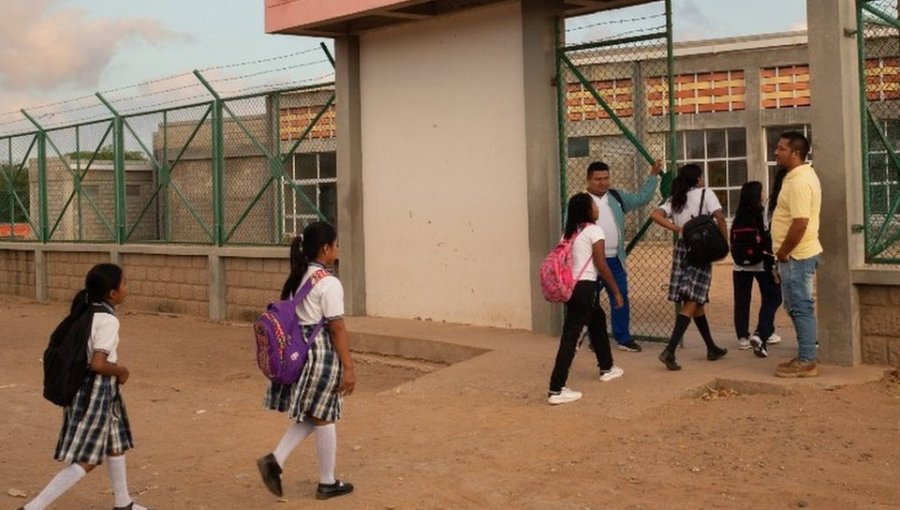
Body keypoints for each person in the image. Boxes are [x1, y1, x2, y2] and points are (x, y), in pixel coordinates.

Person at [18, 263, 155, 510]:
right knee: (87, 460)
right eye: (124, 283)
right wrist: (123, 371)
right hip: (96, 391)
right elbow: (99, 363)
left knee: (116, 443)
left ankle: (123, 503)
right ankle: (32, 507)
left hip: (88, 389)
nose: (127, 287)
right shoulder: (108, 320)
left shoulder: (86, 311)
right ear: (113, 293)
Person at [257, 221, 357, 500]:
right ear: (325, 249)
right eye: (336, 246)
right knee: (324, 415)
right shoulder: (328, 283)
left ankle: (276, 460)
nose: (337, 251)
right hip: (321, 353)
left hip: (298, 351)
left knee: (317, 413)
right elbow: (337, 328)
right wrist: (348, 367)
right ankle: (327, 482)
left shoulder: (296, 278)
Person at [548, 193, 625, 405]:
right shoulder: (594, 230)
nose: (597, 207)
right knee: (571, 337)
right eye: (593, 204)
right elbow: (601, 264)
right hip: (585, 286)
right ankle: (556, 389)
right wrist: (616, 291)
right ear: (588, 210)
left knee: (597, 320)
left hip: (571, 286)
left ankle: (607, 367)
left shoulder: (568, 233)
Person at [650, 164, 729, 370]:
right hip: (702, 249)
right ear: (698, 179)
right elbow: (719, 217)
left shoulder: (676, 198)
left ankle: (712, 348)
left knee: (696, 301)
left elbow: (655, 215)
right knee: (694, 299)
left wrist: (678, 228)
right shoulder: (706, 193)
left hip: (683, 249)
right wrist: (724, 242)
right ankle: (670, 350)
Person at [585, 159, 663, 353]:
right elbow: (569, 230)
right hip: (591, 261)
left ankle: (623, 338)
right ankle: (596, 338)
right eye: (598, 179)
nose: (603, 182)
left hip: (614, 259)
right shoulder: (580, 201)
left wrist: (653, 176)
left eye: (606, 178)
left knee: (620, 297)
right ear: (588, 179)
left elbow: (642, 198)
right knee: (591, 301)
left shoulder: (616, 197)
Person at [770, 131, 821, 378]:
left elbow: (800, 223)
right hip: (791, 256)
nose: (776, 152)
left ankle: (807, 360)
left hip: (796, 256)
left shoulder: (800, 182)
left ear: (796, 153)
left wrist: (783, 252)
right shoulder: (794, 176)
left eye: (781, 148)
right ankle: (806, 353)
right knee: (793, 306)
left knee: (801, 306)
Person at [731, 181, 783, 357]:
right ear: (757, 195)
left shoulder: (738, 215)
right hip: (761, 262)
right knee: (770, 296)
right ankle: (765, 331)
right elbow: (768, 235)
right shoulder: (762, 214)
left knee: (741, 300)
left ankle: (742, 337)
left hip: (739, 265)